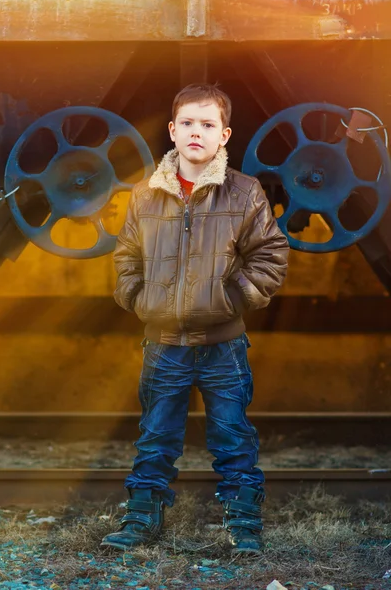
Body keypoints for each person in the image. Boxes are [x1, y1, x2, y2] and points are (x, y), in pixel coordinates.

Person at [101, 83, 289, 553]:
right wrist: (139, 299)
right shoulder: (146, 195)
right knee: (156, 434)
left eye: (207, 125)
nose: (196, 132)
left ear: (224, 135)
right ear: (172, 130)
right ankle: (142, 518)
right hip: (163, 343)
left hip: (223, 344)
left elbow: (270, 255)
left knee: (231, 435)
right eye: (187, 123)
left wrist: (232, 297)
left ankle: (243, 523)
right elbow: (125, 256)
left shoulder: (245, 193)